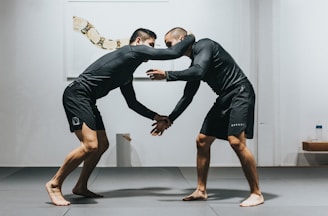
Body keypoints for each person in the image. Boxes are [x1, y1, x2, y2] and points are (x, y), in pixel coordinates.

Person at [46, 28, 195, 206]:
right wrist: (191, 37)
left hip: (88, 99)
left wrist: (155, 116)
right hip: (77, 95)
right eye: (151, 45)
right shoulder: (132, 51)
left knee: (102, 145)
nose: (152, 49)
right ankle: (54, 184)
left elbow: (132, 103)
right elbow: (174, 52)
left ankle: (80, 186)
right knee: (90, 145)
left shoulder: (126, 72)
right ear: (138, 41)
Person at [147, 27, 264, 207]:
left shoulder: (204, 45)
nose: (170, 49)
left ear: (183, 38)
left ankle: (256, 193)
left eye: (170, 44)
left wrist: (167, 75)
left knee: (236, 141)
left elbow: (199, 72)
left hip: (240, 92)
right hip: (225, 97)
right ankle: (201, 191)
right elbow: (188, 96)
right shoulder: (196, 61)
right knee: (202, 141)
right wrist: (169, 119)